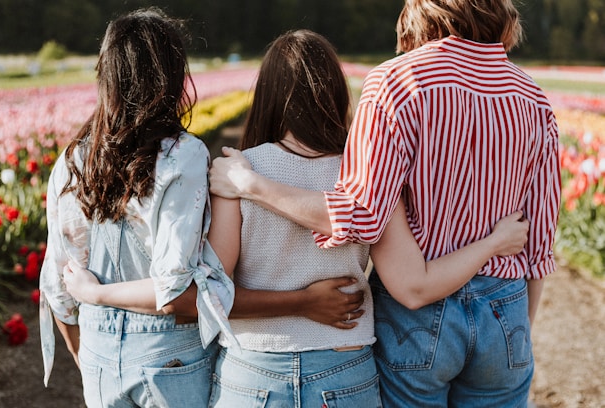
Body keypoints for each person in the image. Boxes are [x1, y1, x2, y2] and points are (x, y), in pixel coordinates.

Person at [66, 28, 529, 407]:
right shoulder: (367, 174)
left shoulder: (238, 169)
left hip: (253, 367)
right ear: (335, 93)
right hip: (345, 364)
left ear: (268, 95)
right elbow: (403, 276)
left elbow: (216, 285)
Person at [208, 1, 562, 407]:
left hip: (422, 316)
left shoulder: (398, 81)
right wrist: (519, 331)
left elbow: (361, 213)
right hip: (507, 307)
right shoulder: (533, 96)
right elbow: (540, 238)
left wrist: (251, 184)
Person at [39, 8, 235, 407]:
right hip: (168, 355)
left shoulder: (72, 161)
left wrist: (88, 354)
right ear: (170, 76)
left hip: (97, 353)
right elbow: (170, 288)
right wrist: (100, 297)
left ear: (107, 75)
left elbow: (59, 288)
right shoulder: (183, 155)